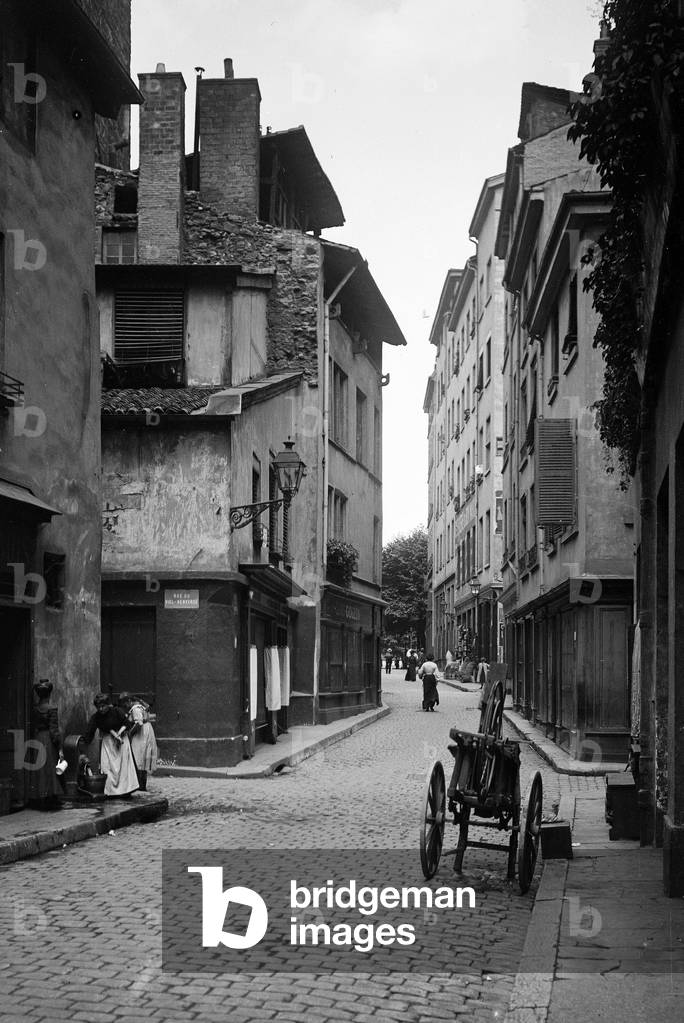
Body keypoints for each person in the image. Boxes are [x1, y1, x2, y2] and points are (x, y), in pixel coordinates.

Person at [82, 693, 138, 797]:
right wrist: (83, 743)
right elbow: (89, 732)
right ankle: (111, 792)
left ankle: (125, 791)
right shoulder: (96, 717)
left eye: (103, 706)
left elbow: (126, 723)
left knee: (123, 767)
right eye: (98, 707)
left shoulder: (116, 711)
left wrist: (119, 734)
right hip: (108, 743)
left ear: (108, 704)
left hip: (121, 741)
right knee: (108, 767)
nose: (101, 709)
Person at [26, 679, 64, 810]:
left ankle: (41, 798)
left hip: (38, 739)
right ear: (49, 694)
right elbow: (54, 731)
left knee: (40, 769)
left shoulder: (35, 709)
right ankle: (51, 798)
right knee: (51, 768)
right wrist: (60, 748)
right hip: (48, 740)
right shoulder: (52, 708)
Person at [120, 693, 158, 791]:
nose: (125, 706)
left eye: (125, 704)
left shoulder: (135, 709)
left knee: (138, 757)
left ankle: (139, 785)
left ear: (129, 701)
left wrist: (130, 733)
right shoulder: (140, 706)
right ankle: (142, 785)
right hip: (146, 731)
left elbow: (139, 723)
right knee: (142, 759)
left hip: (141, 734)